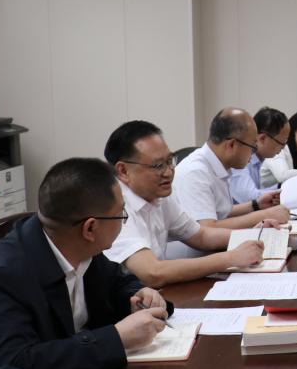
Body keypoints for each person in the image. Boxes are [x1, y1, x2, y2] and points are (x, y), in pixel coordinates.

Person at [0, 158, 170, 369]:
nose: (123, 222)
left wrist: (138, 295)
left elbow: (117, 281)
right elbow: (14, 363)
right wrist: (116, 338)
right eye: (121, 214)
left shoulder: (79, 245)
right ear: (90, 228)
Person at [103, 120, 265, 287]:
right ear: (123, 171)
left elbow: (201, 236)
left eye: (170, 161)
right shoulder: (113, 207)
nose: (168, 172)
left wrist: (255, 235)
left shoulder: (159, 196)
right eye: (158, 166)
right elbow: (153, 272)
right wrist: (230, 258)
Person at [172, 108, 290, 231]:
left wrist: (256, 205)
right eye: (252, 147)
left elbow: (220, 212)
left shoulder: (218, 165)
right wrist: (264, 215)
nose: (253, 153)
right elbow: (207, 229)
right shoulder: (195, 173)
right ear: (231, 145)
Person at [229, 107, 289, 204]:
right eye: (281, 142)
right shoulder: (240, 158)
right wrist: (283, 188)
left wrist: (282, 187)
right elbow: (249, 198)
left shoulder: (258, 160)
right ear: (262, 139)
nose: (283, 148)